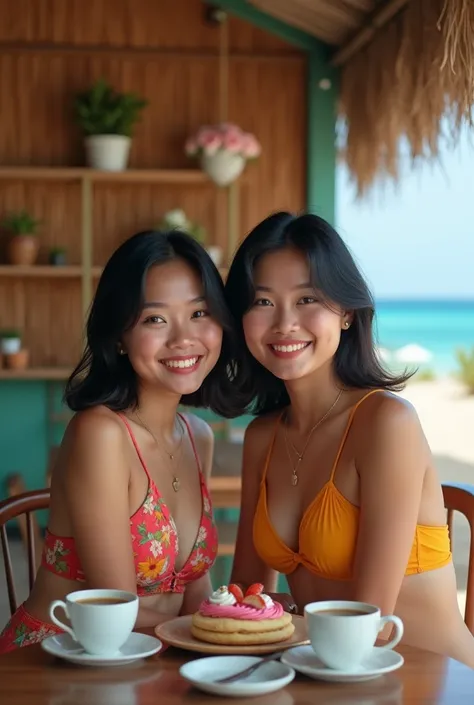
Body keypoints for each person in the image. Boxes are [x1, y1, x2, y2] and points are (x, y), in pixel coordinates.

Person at [225, 211, 474, 668]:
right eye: (262, 302)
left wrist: (283, 629)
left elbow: (372, 623)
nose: (284, 323)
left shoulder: (385, 422)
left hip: (432, 681)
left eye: (307, 299)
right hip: (326, 672)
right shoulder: (262, 437)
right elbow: (245, 601)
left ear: (346, 314)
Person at [0, 229, 238, 653]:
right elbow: (116, 614)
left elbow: (195, 587)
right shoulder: (100, 434)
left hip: (153, 657)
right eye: (155, 319)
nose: (183, 337)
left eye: (200, 313)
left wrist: (234, 630)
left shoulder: (197, 436)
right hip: (59, 660)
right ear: (118, 337)